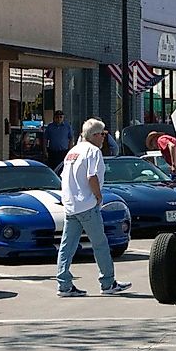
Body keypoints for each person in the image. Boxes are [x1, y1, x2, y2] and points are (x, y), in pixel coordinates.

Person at [56, 118, 131, 297]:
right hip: (87, 204)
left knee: (67, 245)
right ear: (95, 135)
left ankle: (63, 284)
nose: (104, 138)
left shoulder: (72, 152)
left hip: (71, 205)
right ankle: (108, 282)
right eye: (103, 134)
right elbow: (92, 176)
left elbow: (63, 176)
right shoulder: (93, 151)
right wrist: (98, 196)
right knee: (100, 244)